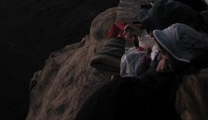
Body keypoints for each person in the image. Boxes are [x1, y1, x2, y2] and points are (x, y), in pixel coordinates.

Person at [76, 23, 208, 120]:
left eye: (167, 58)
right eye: (162, 54)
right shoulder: (161, 67)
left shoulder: (187, 92)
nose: (160, 60)